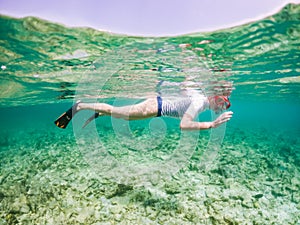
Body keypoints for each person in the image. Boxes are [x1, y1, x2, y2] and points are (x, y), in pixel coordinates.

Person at [54, 91, 233, 130]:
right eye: (223, 103)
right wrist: (212, 124)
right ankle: (80, 105)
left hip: (155, 106)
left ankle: (100, 112)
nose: (222, 108)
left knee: (121, 115)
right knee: (115, 111)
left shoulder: (199, 98)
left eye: (226, 105)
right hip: (154, 108)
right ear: (215, 98)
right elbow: (184, 125)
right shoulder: (200, 103)